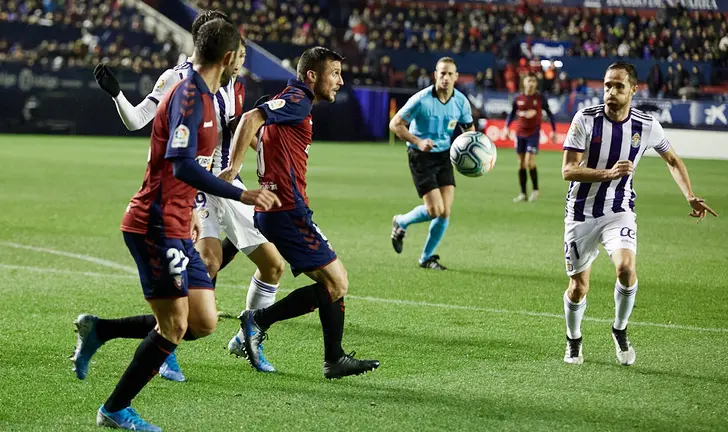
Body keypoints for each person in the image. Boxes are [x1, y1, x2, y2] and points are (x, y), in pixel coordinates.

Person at [80, 19, 282, 430]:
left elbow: (189, 166)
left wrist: (191, 208)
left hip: (179, 216)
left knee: (203, 322)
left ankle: (100, 330)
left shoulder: (209, 95)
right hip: (154, 221)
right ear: (228, 58)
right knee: (174, 325)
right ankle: (115, 409)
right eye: (239, 58)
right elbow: (182, 164)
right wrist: (240, 193)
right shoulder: (189, 94)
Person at [222, 46, 380, 379]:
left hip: (280, 210)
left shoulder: (292, 102)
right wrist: (232, 167)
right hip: (287, 211)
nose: (340, 81)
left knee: (331, 281)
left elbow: (260, 131)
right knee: (338, 283)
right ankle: (257, 321)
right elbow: (251, 118)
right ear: (312, 75)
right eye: (334, 73)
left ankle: (334, 358)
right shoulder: (298, 100)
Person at [560, 62, 717, 366]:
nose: (611, 92)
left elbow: (672, 160)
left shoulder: (647, 125)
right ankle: (574, 339)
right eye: (607, 85)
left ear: (633, 89)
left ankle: (619, 330)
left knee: (626, 269)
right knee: (578, 287)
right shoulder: (585, 120)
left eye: (618, 86)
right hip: (580, 213)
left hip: (619, 210)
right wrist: (607, 174)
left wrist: (690, 195)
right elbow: (568, 170)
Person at [388, 57, 474, 270]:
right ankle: (401, 221)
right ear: (435, 75)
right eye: (441, 73)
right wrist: (418, 141)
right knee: (435, 209)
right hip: (421, 156)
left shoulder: (461, 101)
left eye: (449, 74)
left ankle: (426, 258)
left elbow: (469, 130)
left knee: (445, 211)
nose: (445, 77)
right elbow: (395, 124)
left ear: (456, 77)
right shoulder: (421, 99)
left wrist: (472, 152)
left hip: (445, 156)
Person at [502, 74, 556, 203]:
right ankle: (522, 193)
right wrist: (506, 127)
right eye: (529, 80)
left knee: (529, 162)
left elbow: (550, 114)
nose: (531, 83)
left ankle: (536, 190)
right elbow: (512, 113)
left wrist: (554, 130)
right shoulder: (518, 98)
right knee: (521, 164)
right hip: (520, 134)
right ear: (524, 82)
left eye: (533, 81)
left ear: (536, 83)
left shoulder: (540, 98)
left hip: (533, 134)